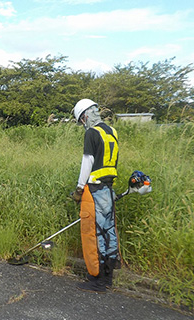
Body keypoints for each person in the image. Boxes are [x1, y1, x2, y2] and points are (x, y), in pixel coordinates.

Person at [71, 99, 120, 293]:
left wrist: (79, 188)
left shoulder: (91, 133)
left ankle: (96, 279)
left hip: (93, 191)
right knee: (109, 232)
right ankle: (108, 277)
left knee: (93, 233)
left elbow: (88, 162)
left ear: (85, 116)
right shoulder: (111, 132)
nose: (83, 124)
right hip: (108, 190)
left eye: (82, 120)